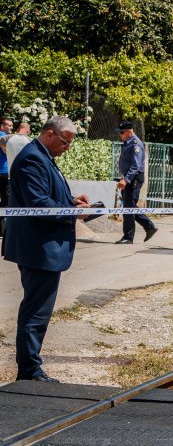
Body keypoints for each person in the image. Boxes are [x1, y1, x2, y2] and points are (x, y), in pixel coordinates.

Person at [3, 116, 91, 382]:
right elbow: (39, 203)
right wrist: (72, 212)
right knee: (36, 312)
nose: (67, 148)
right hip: (38, 248)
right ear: (50, 134)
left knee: (38, 310)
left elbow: (46, 195)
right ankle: (29, 372)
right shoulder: (33, 158)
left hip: (41, 246)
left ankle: (30, 368)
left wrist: (70, 200)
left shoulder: (41, 156)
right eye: (65, 142)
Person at [114, 121, 157, 244]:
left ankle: (128, 237)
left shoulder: (135, 143)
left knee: (128, 207)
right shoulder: (127, 142)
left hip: (134, 178)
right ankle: (149, 227)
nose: (120, 135)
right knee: (129, 206)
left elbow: (136, 165)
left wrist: (125, 179)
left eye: (122, 132)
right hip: (130, 177)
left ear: (129, 131)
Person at [0, 117, 13, 236]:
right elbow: (6, 151)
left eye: (11, 125)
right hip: (3, 172)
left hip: (4, 172)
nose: (11, 127)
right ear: (2, 126)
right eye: (8, 125)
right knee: (6, 200)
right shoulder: (3, 136)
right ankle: (3, 230)